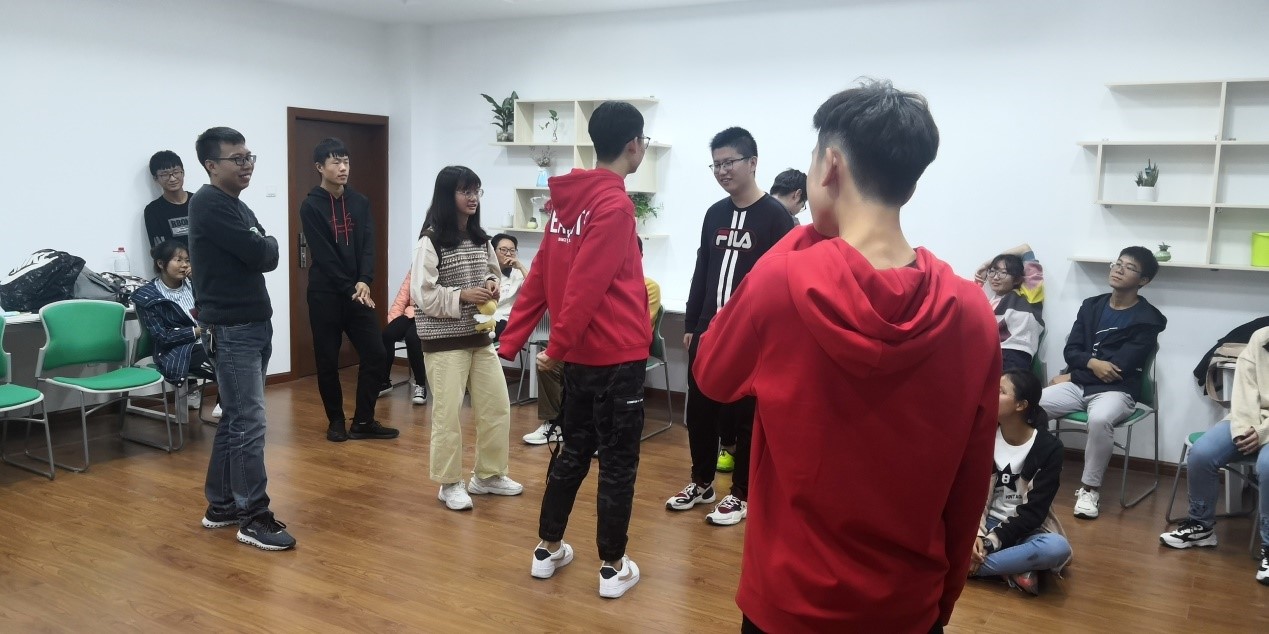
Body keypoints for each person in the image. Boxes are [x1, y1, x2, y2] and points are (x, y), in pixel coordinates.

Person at [693, 80, 1000, 632]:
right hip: (908, 604)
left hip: (787, 598)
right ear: (910, 184)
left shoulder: (781, 281)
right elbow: (971, 479)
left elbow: (711, 375)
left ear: (830, 166)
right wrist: (942, 600)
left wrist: (797, 240)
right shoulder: (973, 312)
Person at [498, 101, 652, 599]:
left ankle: (547, 549)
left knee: (574, 450)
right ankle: (612, 567)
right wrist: (557, 346)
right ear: (634, 144)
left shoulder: (569, 202)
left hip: (585, 357)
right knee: (618, 462)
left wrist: (513, 339)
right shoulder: (614, 204)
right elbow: (586, 284)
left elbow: (541, 273)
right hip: (615, 357)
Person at [669, 126, 794, 527]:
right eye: (716, 164)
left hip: (752, 338)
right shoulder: (715, 214)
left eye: (729, 162)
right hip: (709, 333)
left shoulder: (777, 218)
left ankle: (741, 493)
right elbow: (703, 268)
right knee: (701, 412)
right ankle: (702, 482)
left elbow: (785, 282)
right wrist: (692, 323)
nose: (722, 171)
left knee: (744, 418)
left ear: (752, 163)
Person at [188, 126, 294, 551]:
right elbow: (261, 252)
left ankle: (221, 505)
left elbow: (267, 251)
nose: (247, 164)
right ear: (212, 165)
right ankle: (253, 517)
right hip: (232, 330)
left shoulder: (234, 204)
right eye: (237, 158)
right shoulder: (210, 203)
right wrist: (262, 241)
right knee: (249, 420)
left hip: (251, 324)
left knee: (235, 418)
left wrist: (262, 242)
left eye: (249, 156)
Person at [410, 165, 522, 512]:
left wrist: (491, 284)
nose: (473, 198)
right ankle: (449, 483)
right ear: (448, 195)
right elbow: (422, 295)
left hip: (478, 338)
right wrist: (462, 295)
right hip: (444, 342)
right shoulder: (430, 240)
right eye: (465, 191)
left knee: (497, 406)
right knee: (447, 415)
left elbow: (492, 272)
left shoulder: (480, 237)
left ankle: (488, 475)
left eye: (476, 191)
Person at [1040, 246, 1166, 521]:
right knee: (1030, 405)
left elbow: (1118, 369)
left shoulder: (1149, 320)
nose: (1118, 270)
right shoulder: (1091, 306)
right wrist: (1090, 364)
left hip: (1117, 391)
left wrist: (1072, 375)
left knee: (1099, 419)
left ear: (1143, 280)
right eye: (1117, 263)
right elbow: (1071, 351)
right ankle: (1023, 474)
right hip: (1080, 386)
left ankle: (1089, 490)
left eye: (1129, 267)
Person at [299, 137, 397, 443]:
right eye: (335, 162)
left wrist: (365, 280)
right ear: (320, 167)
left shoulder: (359, 201)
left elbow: (368, 245)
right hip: (326, 295)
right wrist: (350, 286)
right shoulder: (311, 205)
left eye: (346, 161)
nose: (343, 168)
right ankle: (336, 421)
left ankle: (364, 420)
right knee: (327, 360)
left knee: (376, 353)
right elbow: (324, 254)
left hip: (358, 292)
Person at [522, 236, 660, 446]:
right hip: (581, 347)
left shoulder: (647, 286)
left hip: (621, 353)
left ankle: (600, 434)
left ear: (638, 256)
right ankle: (554, 422)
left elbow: (637, 325)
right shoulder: (592, 279)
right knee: (548, 364)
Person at [1159, 325, 1269, 586]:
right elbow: (1243, 391)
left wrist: (1263, 432)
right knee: (1202, 453)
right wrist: (1244, 428)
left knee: (1267, 466)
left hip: (1265, 427)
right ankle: (1201, 526)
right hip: (1249, 419)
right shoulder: (1262, 337)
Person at [969, 370, 1072, 596]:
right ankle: (1014, 568)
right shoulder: (983, 436)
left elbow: (1034, 514)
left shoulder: (1049, 448)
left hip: (1025, 529)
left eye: (1000, 391)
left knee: (1057, 548)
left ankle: (969, 567)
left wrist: (989, 543)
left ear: (1021, 405)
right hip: (983, 523)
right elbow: (971, 496)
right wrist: (977, 534)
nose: (990, 395)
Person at [131, 240, 215, 410]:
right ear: (161, 264)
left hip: (206, 342)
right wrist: (197, 331)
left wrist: (199, 282)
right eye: (178, 260)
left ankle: (227, 407)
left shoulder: (194, 285)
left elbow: (215, 308)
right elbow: (162, 337)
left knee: (235, 356)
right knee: (224, 365)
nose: (185, 265)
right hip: (177, 351)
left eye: (187, 260)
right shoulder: (148, 296)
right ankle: (230, 409)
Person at [973, 245, 1045, 372]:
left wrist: (987, 264)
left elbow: (1025, 248)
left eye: (1003, 273)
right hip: (988, 353)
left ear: (1017, 279)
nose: (996, 277)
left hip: (1015, 352)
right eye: (992, 271)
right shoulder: (988, 301)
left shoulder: (1029, 295)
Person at [379, 271, 428, 405]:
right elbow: (402, 297)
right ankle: (384, 381)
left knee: (412, 338)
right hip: (412, 313)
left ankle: (420, 385)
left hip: (429, 316)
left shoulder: (439, 266)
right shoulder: (414, 269)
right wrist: (394, 322)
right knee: (387, 334)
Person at [144, 151, 193, 247]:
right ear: (155, 178)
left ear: (183, 173)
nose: (172, 179)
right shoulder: (153, 210)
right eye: (165, 174)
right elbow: (160, 250)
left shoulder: (200, 201)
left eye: (176, 172)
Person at [490, 233, 528, 339]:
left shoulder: (518, 273)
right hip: (485, 317)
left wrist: (520, 267)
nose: (508, 254)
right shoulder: (486, 272)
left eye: (512, 250)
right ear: (493, 251)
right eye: (503, 250)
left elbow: (534, 289)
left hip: (506, 320)